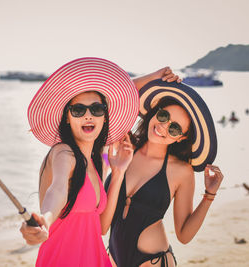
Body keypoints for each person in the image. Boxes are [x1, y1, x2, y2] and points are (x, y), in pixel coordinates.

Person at [20, 58, 181, 266]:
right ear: (67, 117)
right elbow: (57, 190)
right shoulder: (63, 153)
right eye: (78, 110)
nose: (88, 116)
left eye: (96, 109)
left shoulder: (98, 160)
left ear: (105, 115)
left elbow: (102, 227)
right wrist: (45, 220)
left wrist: (118, 173)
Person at [102, 80, 224, 267]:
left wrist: (209, 195)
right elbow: (107, 102)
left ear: (181, 137)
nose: (163, 126)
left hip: (153, 262)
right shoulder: (123, 148)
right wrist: (155, 76)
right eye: (164, 115)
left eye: (174, 128)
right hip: (113, 259)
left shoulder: (181, 171)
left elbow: (183, 235)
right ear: (155, 112)